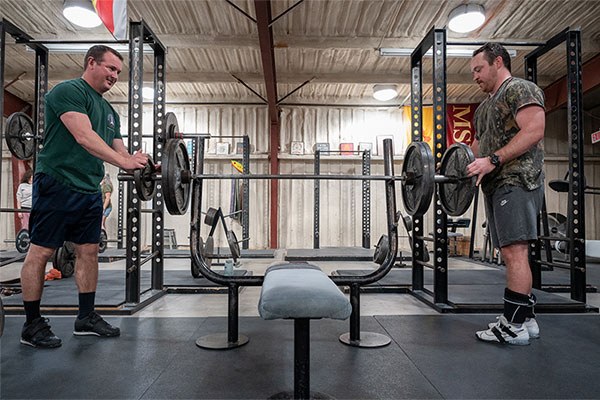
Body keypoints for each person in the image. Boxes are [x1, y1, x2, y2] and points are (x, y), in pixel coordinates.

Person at [20, 45, 148, 349]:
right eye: (110, 68)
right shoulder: (68, 91)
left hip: (89, 188)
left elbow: (119, 150)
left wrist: (142, 164)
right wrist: (126, 162)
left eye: (118, 71)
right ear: (91, 63)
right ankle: (31, 324)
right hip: (58, 181)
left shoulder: (109, 111)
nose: (115, 76)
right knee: (41, 252)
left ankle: (86, 317)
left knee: (88, 252)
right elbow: (83, 136)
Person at [466, 43, 546, 345]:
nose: (475, 76)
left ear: (498, 62)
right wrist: (453, 164)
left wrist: (494, 160)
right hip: (495, 183)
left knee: (515, 253)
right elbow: (477, 147)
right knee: (510, 253)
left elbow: (534, 129)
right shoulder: (485, 106)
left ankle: (511, 327)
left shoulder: (520, 89)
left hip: (517, 179)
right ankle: (525, 319)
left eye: (478, 69)